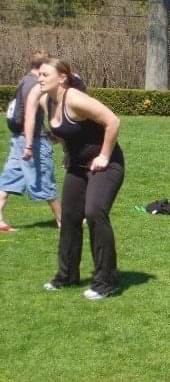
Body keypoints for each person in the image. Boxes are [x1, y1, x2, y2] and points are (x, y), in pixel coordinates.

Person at [26, 58, 124, 300]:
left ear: (62, 77)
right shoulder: (47, 100)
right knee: (69, 216)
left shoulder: (75, 99)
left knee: (94, 213)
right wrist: (62, 143)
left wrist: (103, 155)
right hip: (78, 167)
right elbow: (67, 130)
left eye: (45, 75)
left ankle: (106, 282)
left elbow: (113, 121)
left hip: (106, 165)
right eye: (38, 74)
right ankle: (67, 275)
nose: (39, 78)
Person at [0, 51, 61, 233]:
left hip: (18, 138)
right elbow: (31, 116)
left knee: (9, 180)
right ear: (43, 66)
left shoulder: (24, 80)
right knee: (44, 179)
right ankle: (63, 220)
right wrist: (31, 144)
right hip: (31, 141)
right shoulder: (36, 85)